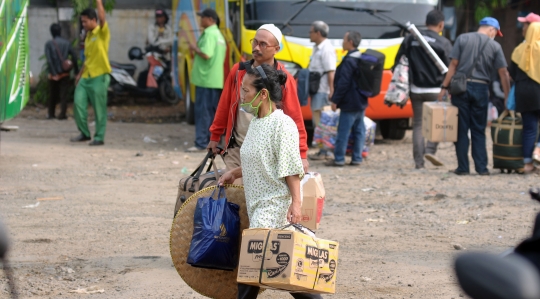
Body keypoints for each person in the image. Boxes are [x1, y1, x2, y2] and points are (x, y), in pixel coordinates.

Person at [217, 64, 321, 299]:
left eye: (245, 91)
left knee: (252, 265)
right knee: (282, 272)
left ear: (262, 94)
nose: (241, 96)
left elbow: (289, 169)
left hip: (274, 205)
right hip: (257, 204)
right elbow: (262, 159)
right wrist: (235, 172)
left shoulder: (282, 125)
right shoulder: (256, 122)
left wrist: (296, 203)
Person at [208, 24, 309, 173]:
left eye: (263, 44)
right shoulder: (238, 71)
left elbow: (295, 118)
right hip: (238, 148)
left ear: (276, 49)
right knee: (235, 191)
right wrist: (215, 136)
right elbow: (224, 105)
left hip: (270, 154)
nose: (256, 48)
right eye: (255, 42)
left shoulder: (284, 79)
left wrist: (302, 154)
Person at [438, 17, 511, 175]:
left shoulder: (462, 38)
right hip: (481, 88)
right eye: (496, 33)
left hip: (460, 88)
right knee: (478, 129)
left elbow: (453, 66)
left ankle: (463, 167)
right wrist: (508, 96)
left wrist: (444, 87)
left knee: (461, 129)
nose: (495, 36)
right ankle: (481, 168)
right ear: (491, 29)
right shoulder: (495, 46)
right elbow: (503, 73)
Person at [395, 9, 453, 169]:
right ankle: (430, 150)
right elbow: (450, 68)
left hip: (416, 89)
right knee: (439, 123)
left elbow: (398, 61)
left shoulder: (411, 39)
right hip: (437, 90)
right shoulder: (444, 43)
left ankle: (419, 163)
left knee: (419, 124)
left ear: (426, 22)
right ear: (441, 24)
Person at [71, 0, 111, 146]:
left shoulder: (101, 32)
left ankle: (99, 137)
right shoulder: (87, 36)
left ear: (93, 20)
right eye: (82, 22)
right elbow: (88, 58)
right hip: (86, 76)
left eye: (85, 22)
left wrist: (98, 2)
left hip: (99, 76)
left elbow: (102, 17)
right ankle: (85, 133)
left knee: (99, 109)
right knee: (78, 103)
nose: (83, 24)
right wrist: (79, 74)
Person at [186, 8, 226, 152]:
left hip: (205, 79)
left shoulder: (209, 34)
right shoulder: (219, 34)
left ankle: (201, 142)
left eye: (202, 17)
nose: (200, 20)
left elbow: (206, 53)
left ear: (210, 19)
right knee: (213, 113)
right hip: (215, 79)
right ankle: (213, 141)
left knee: (203, 112)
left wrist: (194, 48)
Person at [326, 31, 365, 167]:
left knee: (343, 130)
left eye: (344, 39)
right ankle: (357, 158)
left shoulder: (349, 60)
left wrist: (335, 100)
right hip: (361, 101)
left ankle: (339, 158)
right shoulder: (361, 57)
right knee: (359, 131)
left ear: (350, 42)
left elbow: (343, 83)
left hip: (349, 102)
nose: (342, 41)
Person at [509, 22, 540, 173]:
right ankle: (538, 150)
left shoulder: (519, 49)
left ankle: (527, 163)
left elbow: (512, 73)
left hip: (523, 93)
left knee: (529, 129)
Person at [307, 21, 336, 161]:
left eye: (311, 32)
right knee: (317, 120)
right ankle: (322, 150)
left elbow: (331, 72)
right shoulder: (317, 48)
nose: (309, 34)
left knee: (322, 121)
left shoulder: (326, 49)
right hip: (316, 89)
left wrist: (331, 90)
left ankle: (326, 151)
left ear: (318, 33)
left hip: (322, 90)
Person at [44, 23, 79, 120]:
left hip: (53, 74)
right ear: (60, 31)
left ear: (51, 32)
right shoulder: (67, 43)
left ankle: (51, 114)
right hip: (65, 73)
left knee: (52, 94)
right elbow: (74, 57)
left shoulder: (49, 44)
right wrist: (76, 70)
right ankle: (62, 114)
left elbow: (49, 60)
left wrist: (54, 73)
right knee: (63, 95)